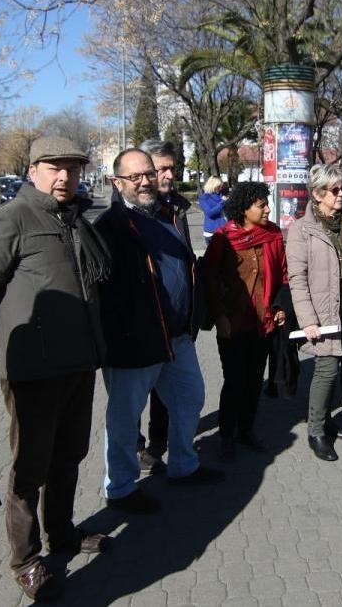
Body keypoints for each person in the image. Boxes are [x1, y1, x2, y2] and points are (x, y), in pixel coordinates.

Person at [0, 136, 111, 601]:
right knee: (29, 468)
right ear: (32, 171)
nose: (64, 176)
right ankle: (24, 560)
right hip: (33, 371)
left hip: (78, 363)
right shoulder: (12, 218)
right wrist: (2, 341)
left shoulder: (75, 219)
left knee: (69, 455)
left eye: (72, 168)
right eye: (53, 167)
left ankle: (61, 533)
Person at [96, 148, 224, 515]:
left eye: (148, 173)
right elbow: (101, 292)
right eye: (134, 177)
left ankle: (183, 466)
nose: (145, 181)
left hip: (177, 339)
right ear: (118, 183)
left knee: (189, 400)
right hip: (134, 344)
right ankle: (120, 489)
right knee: (123, 420)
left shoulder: (169, 213)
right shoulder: (110, 226)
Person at [203, 181, 288, 459]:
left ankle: (246, 429)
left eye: (267, 203)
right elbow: (209, 280)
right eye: (261, 205)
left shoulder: (273, 234)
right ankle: (226, 435)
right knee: (234, 380)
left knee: (254, 380)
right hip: (233, 323)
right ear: (244, 209)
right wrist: (219, 317)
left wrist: (279, 306)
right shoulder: (223, 238)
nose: (267, 209)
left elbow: (283, 275)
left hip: (263, 322)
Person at [287, 164, 342, 462]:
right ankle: (316, 431)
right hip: (321, 312)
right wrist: (308, 320)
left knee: (337, 363)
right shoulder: (301, 230)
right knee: (326, 368)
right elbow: (297, 278)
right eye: (334, 190)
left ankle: (327, 420)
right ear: (318, 193)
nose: (341, 194)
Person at [133, 139, 192, 474]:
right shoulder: (126, 213)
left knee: (174, 393)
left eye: (172, 167)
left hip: (176, 324)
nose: (170, 174)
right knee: (133, 399)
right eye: (162, 168)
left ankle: (159, 444)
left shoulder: (176, 208)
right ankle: (135, 450)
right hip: (142, 326)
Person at [199, 175, 228, 241]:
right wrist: (222, 202)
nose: (221, 188)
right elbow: (210, 213)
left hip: (225, 231)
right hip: (212, 233)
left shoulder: (222, 195)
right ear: (213, 185)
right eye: (219, 186)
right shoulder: (204, 197)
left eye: (221, 186)